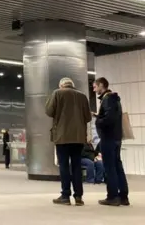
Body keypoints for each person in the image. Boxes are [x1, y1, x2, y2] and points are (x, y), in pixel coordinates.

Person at [45, 77, 91, 206]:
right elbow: (87, 117)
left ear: (61, 85)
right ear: (72, 85)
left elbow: (49, 111)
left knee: (64, 166)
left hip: (62, 136)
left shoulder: (57, 93)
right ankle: (78, 197)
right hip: (78, 137)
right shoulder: (82, 96)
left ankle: (65, 195)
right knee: (76, 166)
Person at [93, 77, 129, 206]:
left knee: (110, 167)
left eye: (95, 86)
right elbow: (111, 116)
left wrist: (98, 120)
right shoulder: (114, 99)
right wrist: (99, 116)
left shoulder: (107, 99)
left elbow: (109, 118)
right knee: (118, 165)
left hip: (108, 137)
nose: (94, 89)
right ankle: (123, 195)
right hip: (116, 137)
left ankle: (112, 196)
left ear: (102, 85)